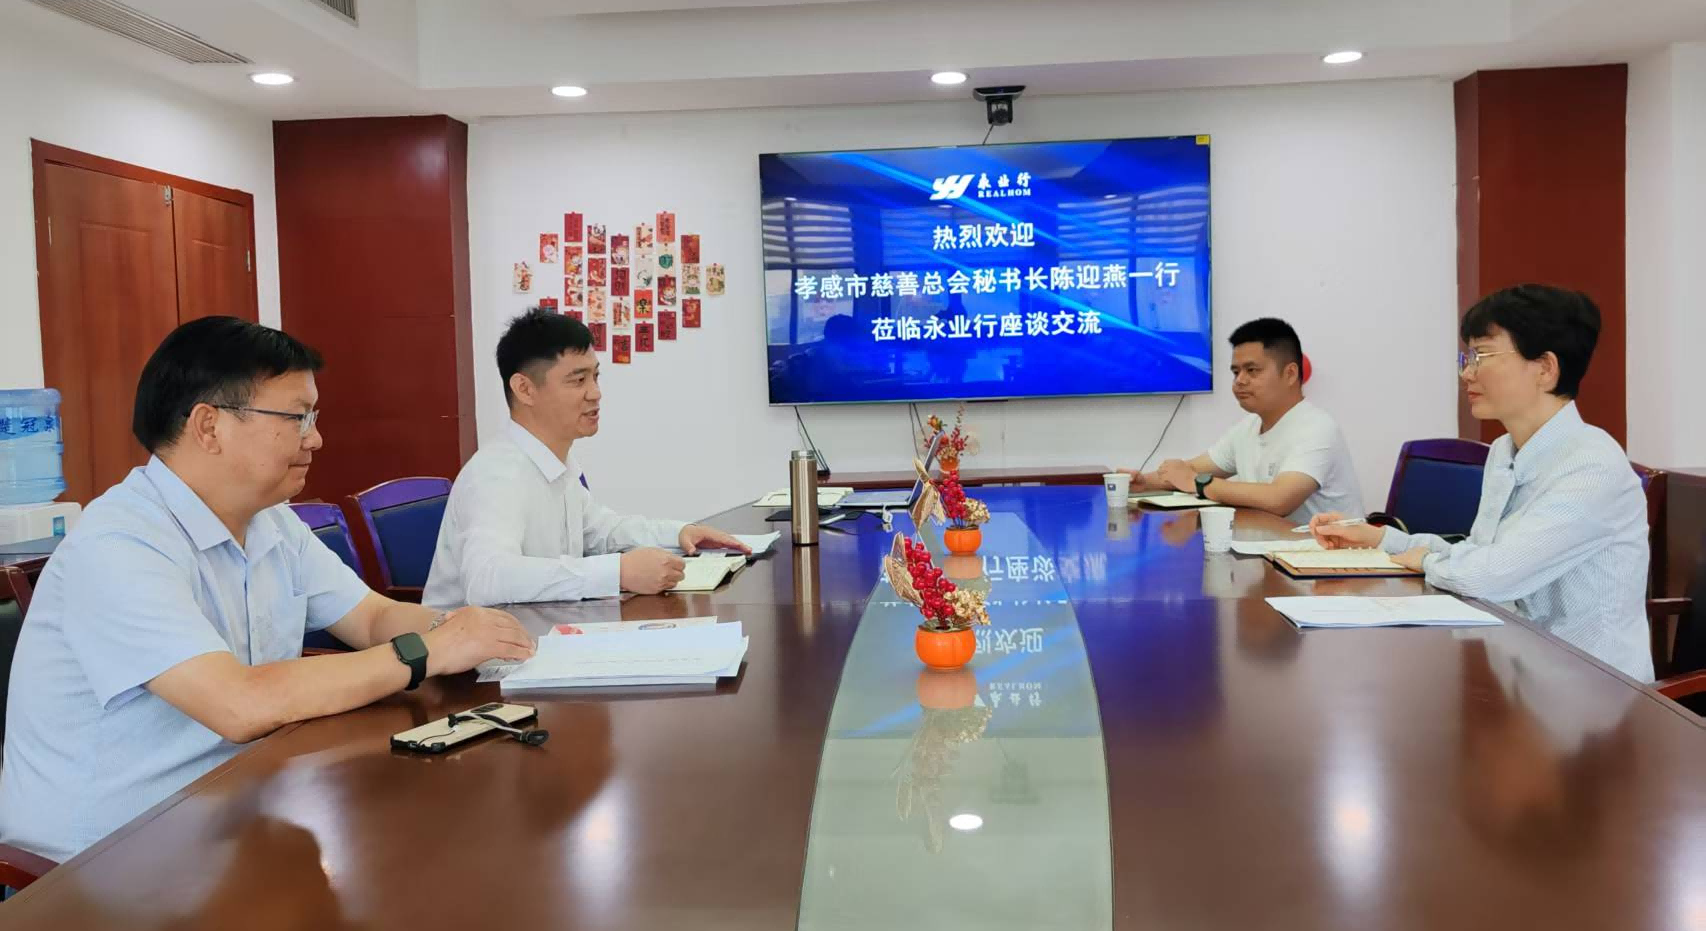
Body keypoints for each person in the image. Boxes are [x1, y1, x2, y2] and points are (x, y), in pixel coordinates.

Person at [0, 317, 534, 865]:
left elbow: (371, 618)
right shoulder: (119, 544)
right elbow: (239, 704)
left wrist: (471, 634)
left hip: (236, 809)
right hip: (105, 862)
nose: (316, 438)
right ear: (209, 426)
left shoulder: (270, 522)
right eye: (297, 418)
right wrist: (428, 651)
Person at [1312, 285, 1652, 681]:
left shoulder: (1592, 467)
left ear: (1545, 368)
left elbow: (1488, 576)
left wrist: (1425, 560)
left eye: (1482, 356)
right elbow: (1479, 554)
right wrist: (1380, 540)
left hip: (1594, 693)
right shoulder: (1505, 450)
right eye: (1467, 357)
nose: (1467, 373)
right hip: (1519, 671)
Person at [423, 308, 748, 609]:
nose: (595, 393)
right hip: (471, 651)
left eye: (595, 377)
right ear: (524, 389)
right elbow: (486, 579)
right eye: (578, 380)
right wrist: (618, 573)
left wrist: (680, 533)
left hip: (539, 631)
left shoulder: (555, 463)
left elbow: (604, 532)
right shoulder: (496, 474)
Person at [1123, 317, 1363, 523]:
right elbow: (1191, 470)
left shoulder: (1317, 428)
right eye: (1236, 372)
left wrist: (1197, 483)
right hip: (1272, 550)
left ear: (1290, 374)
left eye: (1252, 370)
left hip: (1331, 557)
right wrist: (1145, 482)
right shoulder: (1248, 428)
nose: (1239, 381)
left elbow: (1280, 499)